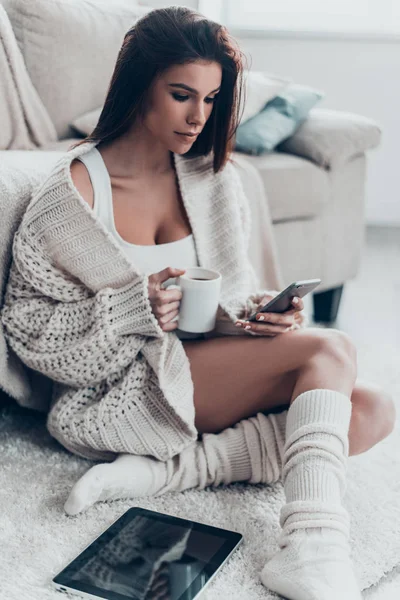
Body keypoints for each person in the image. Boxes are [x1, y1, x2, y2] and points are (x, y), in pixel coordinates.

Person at [1, 6, 395, 600]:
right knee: (332, 350)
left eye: (211, 99)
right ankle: (314, 544)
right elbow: (29, 333)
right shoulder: (71, 195)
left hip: (202, 368)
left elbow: (226, 297)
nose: (197, 117)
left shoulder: (212, 178)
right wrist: (132, 309)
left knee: (369, 411)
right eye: (182, 94)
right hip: (120, 392)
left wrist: (257, 317)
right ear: (140, 86)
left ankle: (173, 471)